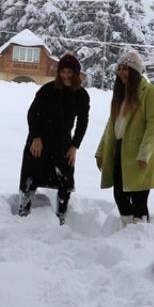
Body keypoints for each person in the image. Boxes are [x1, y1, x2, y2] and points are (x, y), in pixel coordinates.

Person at [17, 52, 89, 225]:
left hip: (63, 142)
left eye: (70, 72)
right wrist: (36, 137)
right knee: (31, 174)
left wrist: (74, 146)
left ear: (76, 74)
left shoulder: (81, 95)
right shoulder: (47, 90)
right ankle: (23, 210)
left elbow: (82, 122)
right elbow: (32, 114)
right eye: (62, 72)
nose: (66, 76)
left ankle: (61, 214)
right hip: (39, 140)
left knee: (64, 177)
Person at [94, 51, 154, 224]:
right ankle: (128, 226)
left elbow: (153, 126)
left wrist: (144, 154)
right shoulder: (120, 94)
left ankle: (141, 230)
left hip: (138, 154)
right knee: (120, 195)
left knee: (139, 197)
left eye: (126, 69)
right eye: (120, 68)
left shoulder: (150, 93)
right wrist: (101, 151)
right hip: (119, 151)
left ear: (136, 71)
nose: (122, 73)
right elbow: (111, 125)